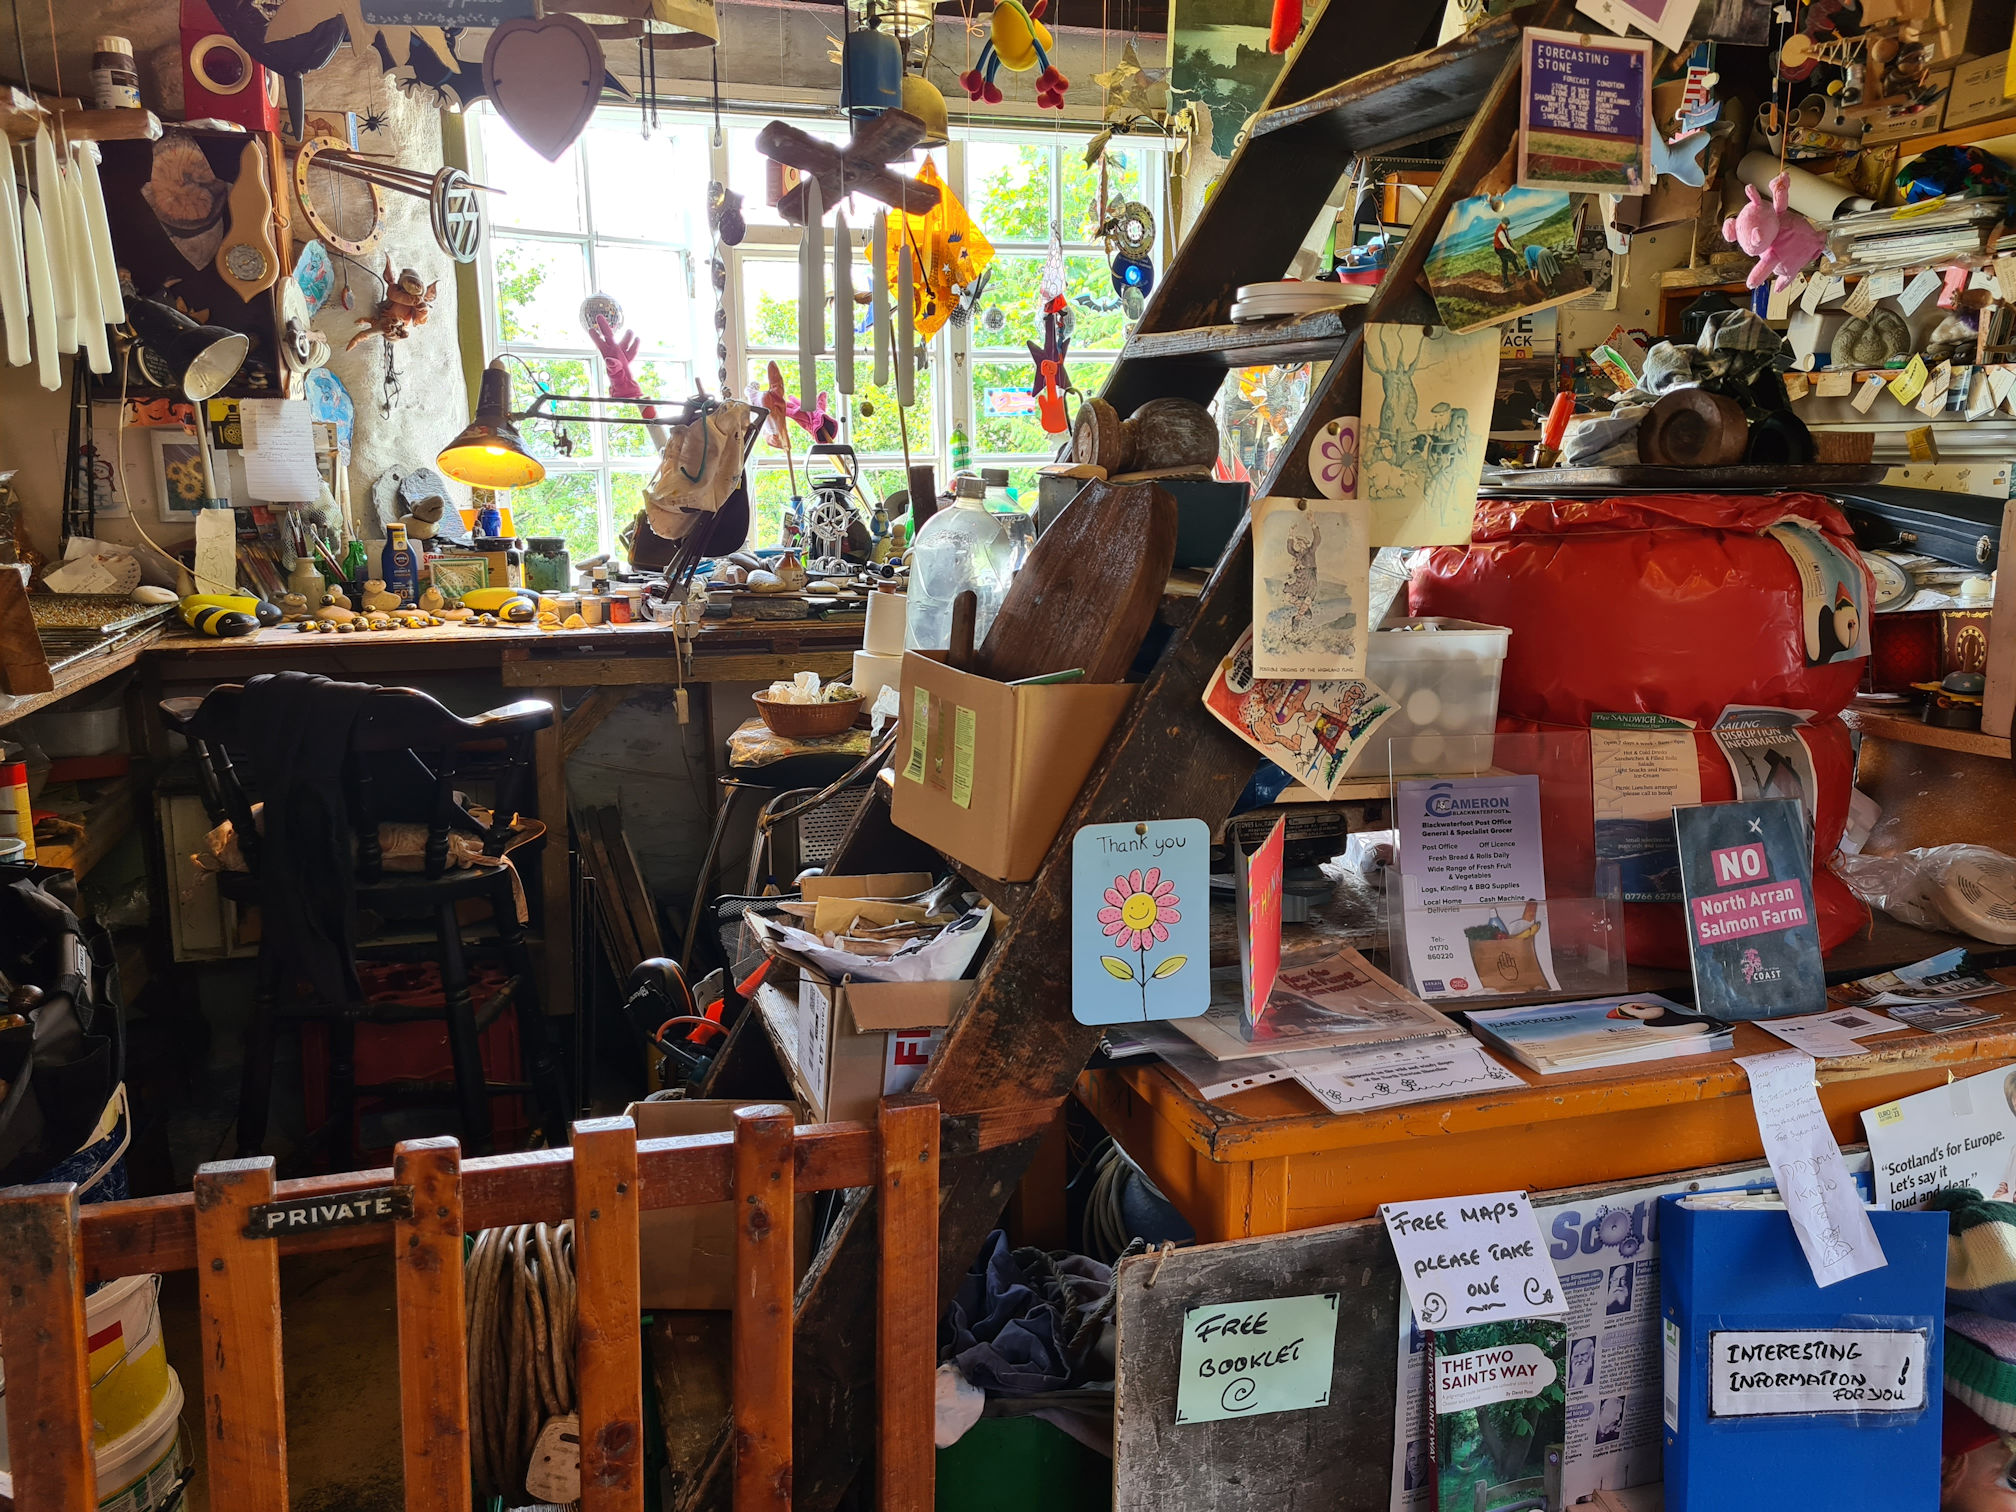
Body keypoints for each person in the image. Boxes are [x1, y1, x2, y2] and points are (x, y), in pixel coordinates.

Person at [1493, 216, 1520, 287]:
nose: (1507, 226)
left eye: (1507, 225)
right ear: (1502, 223)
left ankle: (1506, 281)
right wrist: (1513, 250)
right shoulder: (1500, 232)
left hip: (1501, 247)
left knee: (1505, 263)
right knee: (1512, 256)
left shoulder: (1504, 228)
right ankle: (1518, 272)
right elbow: (1505, 244)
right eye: (1506, 225)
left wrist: (1509, 239)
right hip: (1500, 249)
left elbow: (1506, 236)